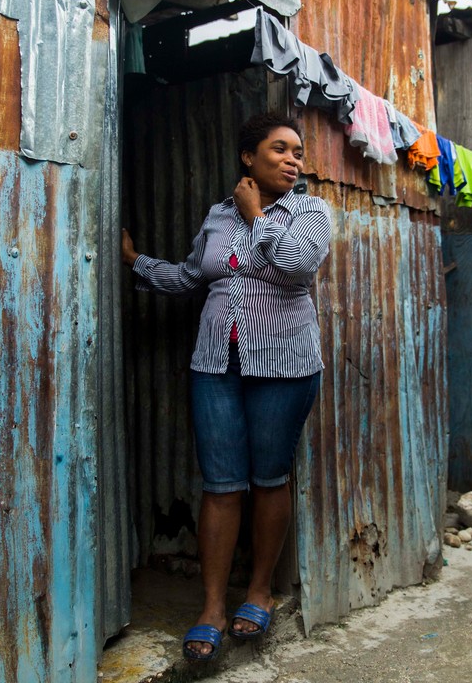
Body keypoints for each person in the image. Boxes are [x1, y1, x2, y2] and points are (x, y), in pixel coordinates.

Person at [121, 114, 332, 662]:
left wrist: (256, 214)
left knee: (268, 478)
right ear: (248, 156)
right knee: (220, 485)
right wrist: (136, 262)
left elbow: (293, 267)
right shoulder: (218, 214)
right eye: (279, 149)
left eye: (297, 153)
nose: (292, 159)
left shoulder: (311, 211)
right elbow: (195, 274)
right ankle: (212, 606)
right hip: (216, 362)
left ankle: (259, 591)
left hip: (284, 365)